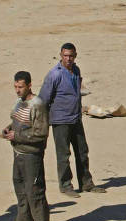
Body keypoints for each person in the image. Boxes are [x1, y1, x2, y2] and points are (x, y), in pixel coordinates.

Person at [39, 43, 105, 197]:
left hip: (76, 118)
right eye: (65, 56)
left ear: (75, 56)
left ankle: (86, 183)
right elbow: (43, 99)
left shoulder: (76, 70)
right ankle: (66, 185)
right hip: (60, 120)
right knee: (63, 155)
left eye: (71, 56)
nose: (68, 59)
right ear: (60, 56)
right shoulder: (54, 75)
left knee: (82, 152)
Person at [2, 71, 50, 221]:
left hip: (32, 156)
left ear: (29, 85)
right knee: (21, 190)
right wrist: (8, 129)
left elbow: (41, 134)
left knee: (34, 191)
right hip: (18, 153)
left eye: (20, 87)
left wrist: (17, 136)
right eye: (15, 87)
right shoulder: (18, 103)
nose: (17, 90)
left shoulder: (37, 105)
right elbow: (17, 121)